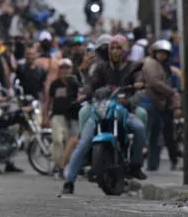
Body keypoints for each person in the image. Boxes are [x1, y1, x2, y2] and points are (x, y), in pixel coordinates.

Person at [62, 35, 147, 194]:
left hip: (123, 109)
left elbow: (140, 85)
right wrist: (84, 93)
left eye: (118, 48)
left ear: (125, 50)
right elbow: (92, 83)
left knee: (139, 127)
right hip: (100, 109)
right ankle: (69, 180)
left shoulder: (134, 67)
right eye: (112, 48)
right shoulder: (102, 68)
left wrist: (132, 95)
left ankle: (135, 165)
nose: (115, 52)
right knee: (83, 141)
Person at [142, 39, 180, 171]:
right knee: (145, 134)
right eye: (160, 52)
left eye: (165, 53)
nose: (162, 55)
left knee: (158, 136)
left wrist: (175, 104)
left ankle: (153, 164)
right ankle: (136, 162)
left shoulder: (167, 68)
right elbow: (154, 82)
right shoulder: (150, 63)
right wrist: (171, 92)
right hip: (149, 102)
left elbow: (173, 86)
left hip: (162, 105)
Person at [44, 59, 81, 178]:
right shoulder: (55, 84)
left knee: (69, 143)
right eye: (62, 68)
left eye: (67, 68)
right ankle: (58, 166)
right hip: (57, 116)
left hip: (70, 117)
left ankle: (63, 167)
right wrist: (44, 116)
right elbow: (48, 101)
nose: (64, 71)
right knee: (57, 140)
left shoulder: (75, 83)